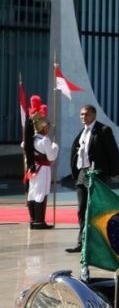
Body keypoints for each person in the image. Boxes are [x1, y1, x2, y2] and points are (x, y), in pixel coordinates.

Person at [67, 104, 119, 252]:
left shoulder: (103, 130)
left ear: (94, 115)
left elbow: (112, 151)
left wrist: (113, 172)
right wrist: (76, 173)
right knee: (82, 209)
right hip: (82, 174)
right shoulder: (82, 132)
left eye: (87, 114)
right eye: (82, 114)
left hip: (97, 174)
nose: (84, 117)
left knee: (96, 209)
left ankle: (100, 243)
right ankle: (81, 242)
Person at [23, 96, 58, 230]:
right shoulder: (44, 140)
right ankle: (40, 221)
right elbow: (51, 157)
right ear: (43, 127)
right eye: (47, 126)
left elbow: (23, 145)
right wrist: (55, 147)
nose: (48, 128)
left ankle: (33, 220)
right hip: (42, 168)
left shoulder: (30, 139)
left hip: (33, 168)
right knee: (41, 193)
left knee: (32, 193)